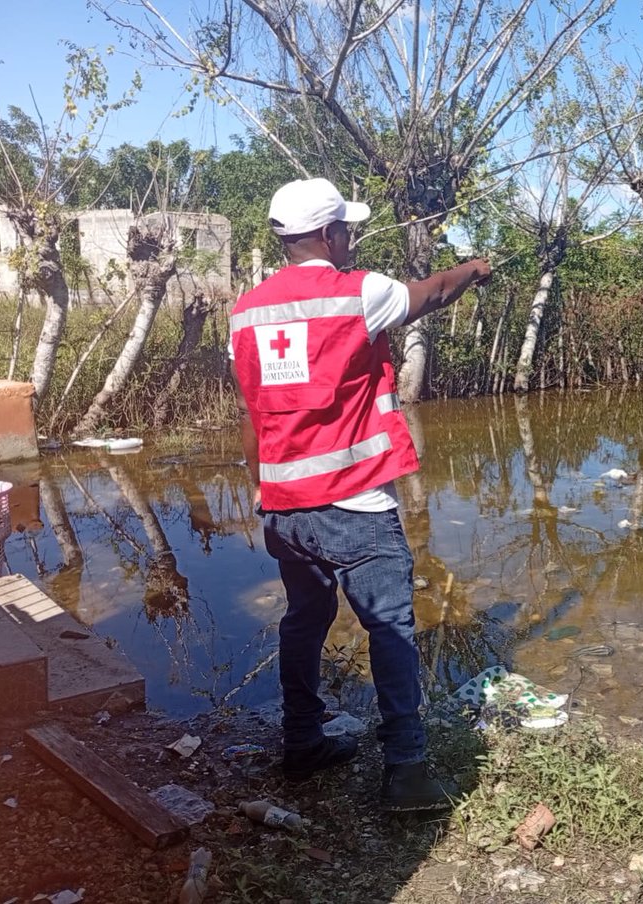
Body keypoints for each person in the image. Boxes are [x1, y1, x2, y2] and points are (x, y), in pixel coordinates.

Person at [230, 177, 490, 810]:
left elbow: (253, 411)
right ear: (325, 234)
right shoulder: (358, 292)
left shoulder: (246, 309)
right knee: (391, 628)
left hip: (286, 508)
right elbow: (430, 293)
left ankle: (302, 744)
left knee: (305, 619)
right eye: (345, 228)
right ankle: (406, 770)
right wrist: (475, 268)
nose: (350, 237)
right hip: (356, 503)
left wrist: (263, 491)